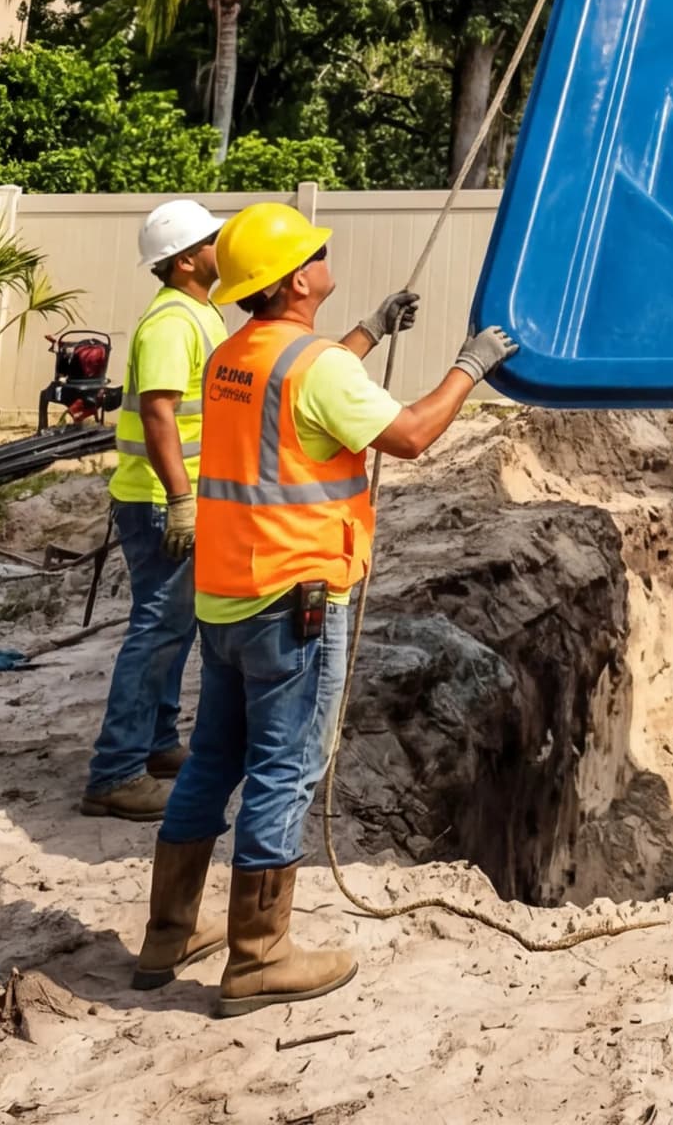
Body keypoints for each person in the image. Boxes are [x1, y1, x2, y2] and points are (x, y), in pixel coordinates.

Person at [134, 200, 515, 1018]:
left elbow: (300, 389)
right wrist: (469, 370)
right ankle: (259, 955)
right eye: (315, 251)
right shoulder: (314, 367)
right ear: (296, 278)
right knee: (284, 766)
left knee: (212, 760)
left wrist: (372, 330)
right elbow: (409, 434)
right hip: (294, 598)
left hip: (228, 594)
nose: (324, 254)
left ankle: (168, 932)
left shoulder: (234, 354)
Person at [83, 199, 228, 820]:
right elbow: (160, 412)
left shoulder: (198, 311)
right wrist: (182, 501)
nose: (224, 245)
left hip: (172, 495)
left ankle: (157, 743)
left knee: (173, 628)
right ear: (188, 258)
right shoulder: (172, 321)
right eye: (213, 239)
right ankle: (115, 772)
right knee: (158, 630)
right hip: (161, 499)